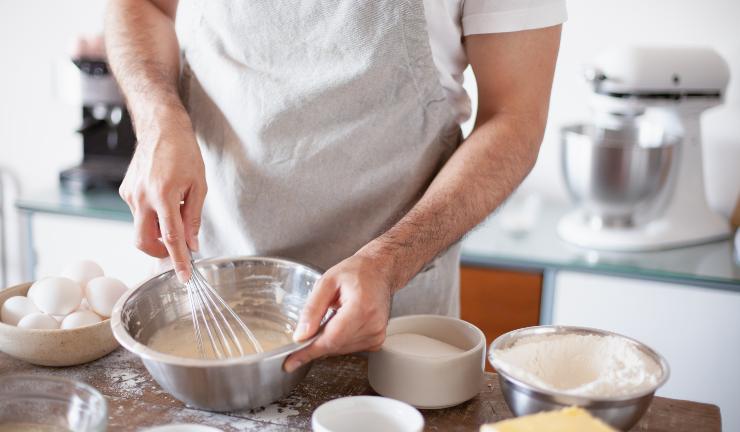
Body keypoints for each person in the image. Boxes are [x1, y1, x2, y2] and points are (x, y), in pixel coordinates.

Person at [105, 0, 565, 372]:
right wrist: (158, 121)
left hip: (389, 323)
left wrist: (388, 264)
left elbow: (515, 118)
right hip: (206, 295)